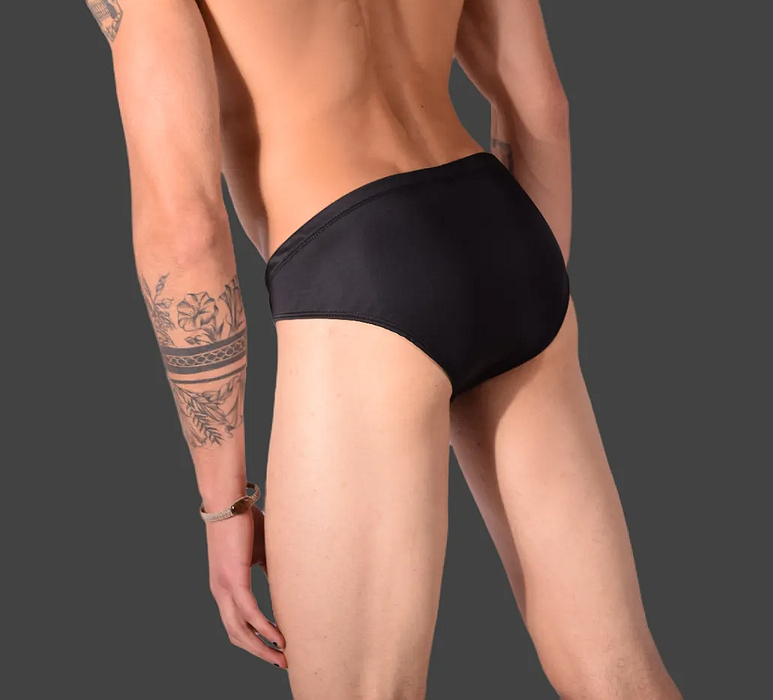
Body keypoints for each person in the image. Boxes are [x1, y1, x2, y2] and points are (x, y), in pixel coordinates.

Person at [87, 0, 682, 697]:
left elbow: (184, 229)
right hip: (503, 233)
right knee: (622, 676)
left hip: (356, 271)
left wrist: (226, 507)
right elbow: (542, 105)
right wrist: (522, 295)